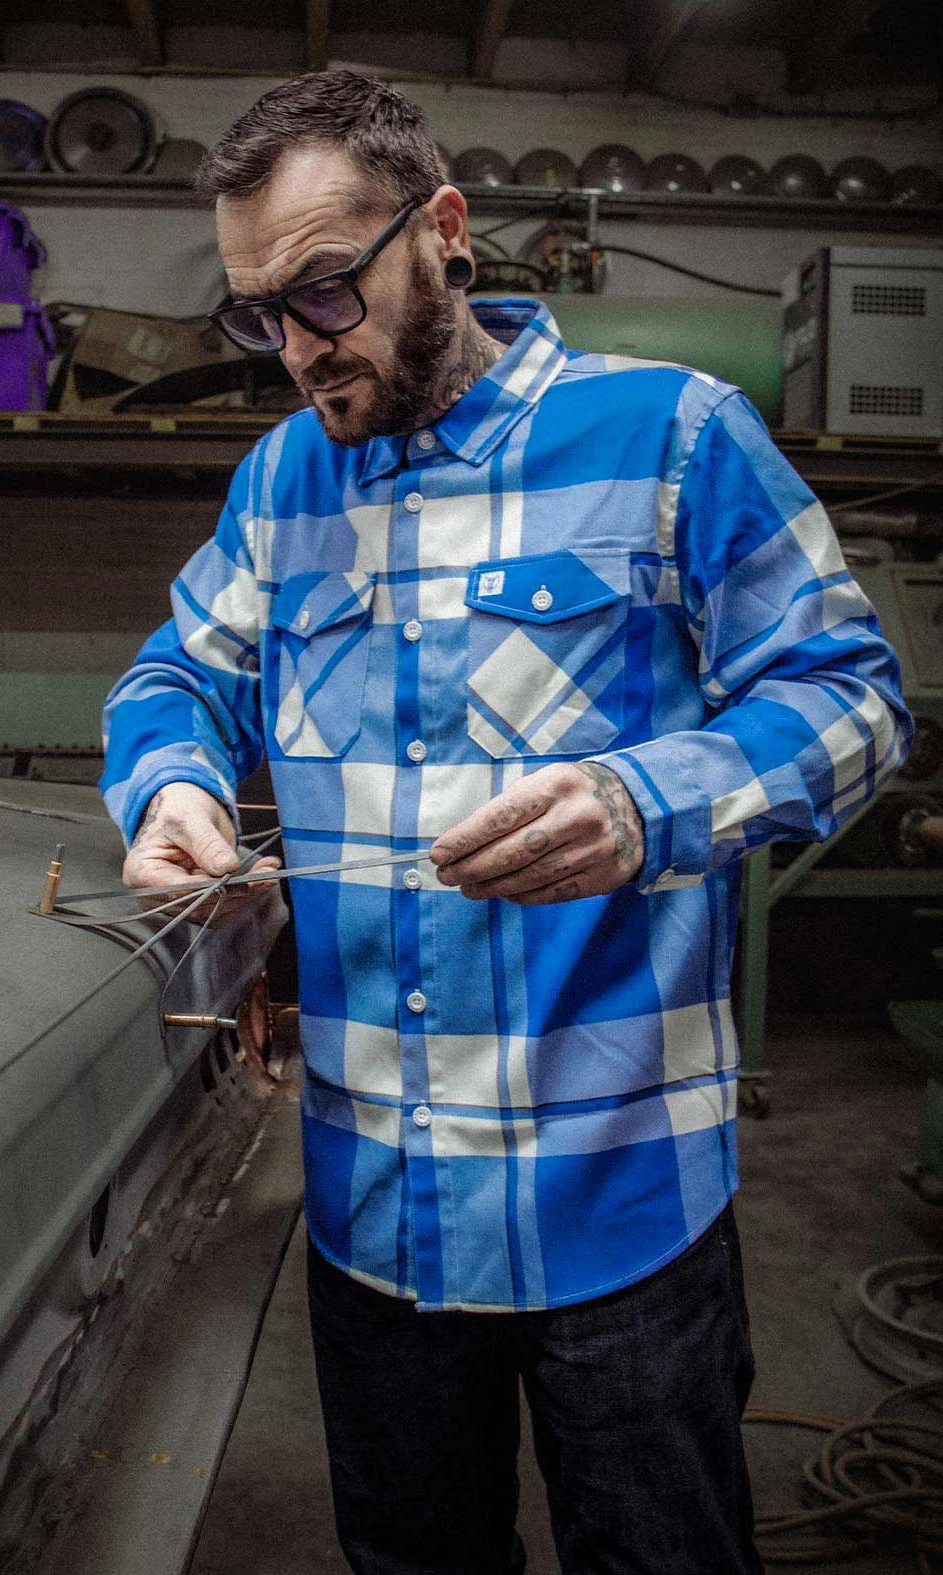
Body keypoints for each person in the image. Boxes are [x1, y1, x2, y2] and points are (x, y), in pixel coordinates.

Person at [101, 70, 911, 1575]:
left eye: (327, 292)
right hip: (374, 1217)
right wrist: (176, 788)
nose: (294, 350)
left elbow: (855, 699)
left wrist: (643, 799)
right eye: (257, 314)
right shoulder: (282, 485)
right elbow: (175, 675)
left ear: (446, 233)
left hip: (620, 1209)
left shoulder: (672, 438)